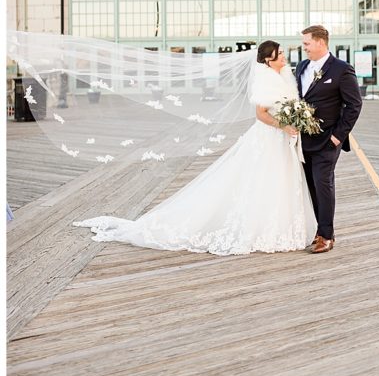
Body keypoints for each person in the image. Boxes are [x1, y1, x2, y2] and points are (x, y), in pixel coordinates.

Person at [74, 41, 317, 255]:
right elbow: (261, 113)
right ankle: (261, 228)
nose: (284, 56)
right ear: (268, 59)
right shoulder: (265, 78)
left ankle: (279, 227)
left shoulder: (285, 75)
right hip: (269, 137)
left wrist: (294, 122)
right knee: (262, 180)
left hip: (283, 139)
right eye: (279, 53)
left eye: (283, 53)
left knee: (279, 181)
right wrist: (284, 125)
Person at [295, 25, 363, 254]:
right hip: (304, 141)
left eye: (306, 43)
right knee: (312, 186)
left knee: (323, 184)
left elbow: (354, 105)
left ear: (321, 42)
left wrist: (337, 136)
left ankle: (327, 235)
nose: (303, 48)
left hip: (328, 141)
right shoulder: (302, 67)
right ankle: (318, 229)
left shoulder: (342, 69)